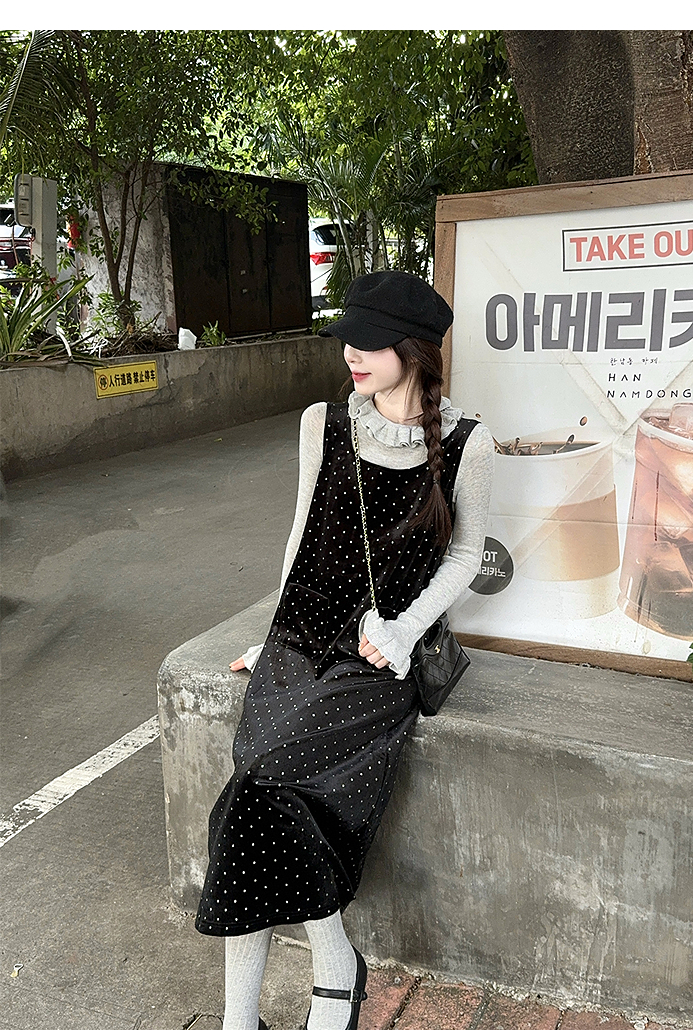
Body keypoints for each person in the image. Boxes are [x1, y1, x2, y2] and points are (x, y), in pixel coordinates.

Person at [195, 270, 495, 1030]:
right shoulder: (321, 423)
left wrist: (403, 630)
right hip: (299, 642)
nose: (349, 354)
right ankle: (322, 975)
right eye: (345, 340)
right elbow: (300, 538)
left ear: (413, 349)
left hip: (379, 659)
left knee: (257, 786)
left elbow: (466, 555)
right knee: (258, 791)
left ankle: (293, 994)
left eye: (366, 341)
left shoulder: (468, 442)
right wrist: (270, 636)